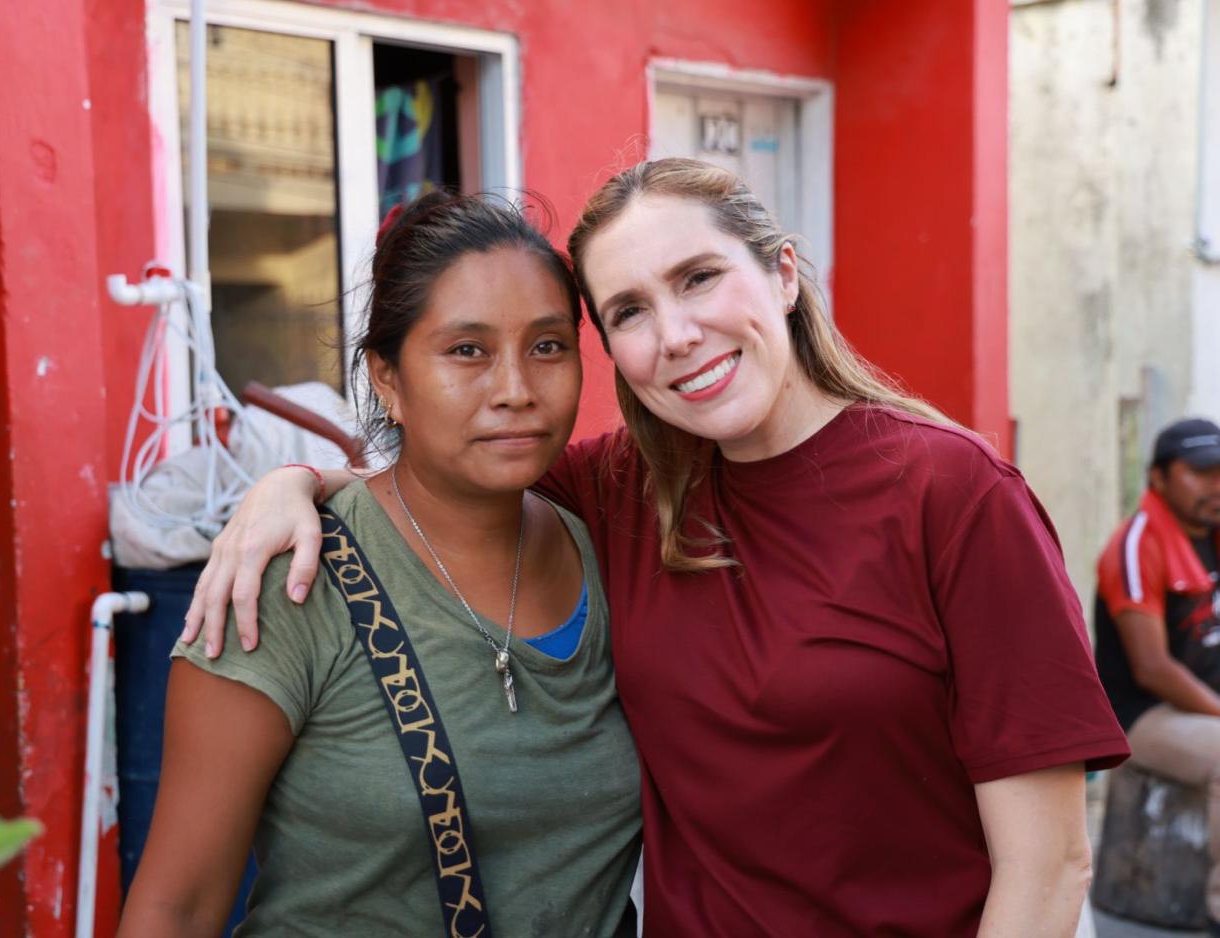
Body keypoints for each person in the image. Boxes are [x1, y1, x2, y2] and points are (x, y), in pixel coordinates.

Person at [185, 158, 1129, 936]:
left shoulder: (954, 495)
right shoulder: (624, 487)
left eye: (699, 278)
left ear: (786, 274)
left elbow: (1048, 868)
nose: (676, 335)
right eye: (629, 311)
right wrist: (291, 488)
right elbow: (437, 475)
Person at [118, 192, 642, 938]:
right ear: (387, 379)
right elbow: (177, 909)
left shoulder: (613, 549)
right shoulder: (285, 585)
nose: (516, 390)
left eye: (548, 346)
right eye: (467, 351)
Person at [1094, 416, 1220, 930]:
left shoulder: (1213, 535)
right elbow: (1153, 668)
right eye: (1200, 473)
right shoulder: (1136, 543)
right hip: (1140, 717)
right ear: (1158, 478)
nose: (1215, 487)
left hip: (1202, 707)